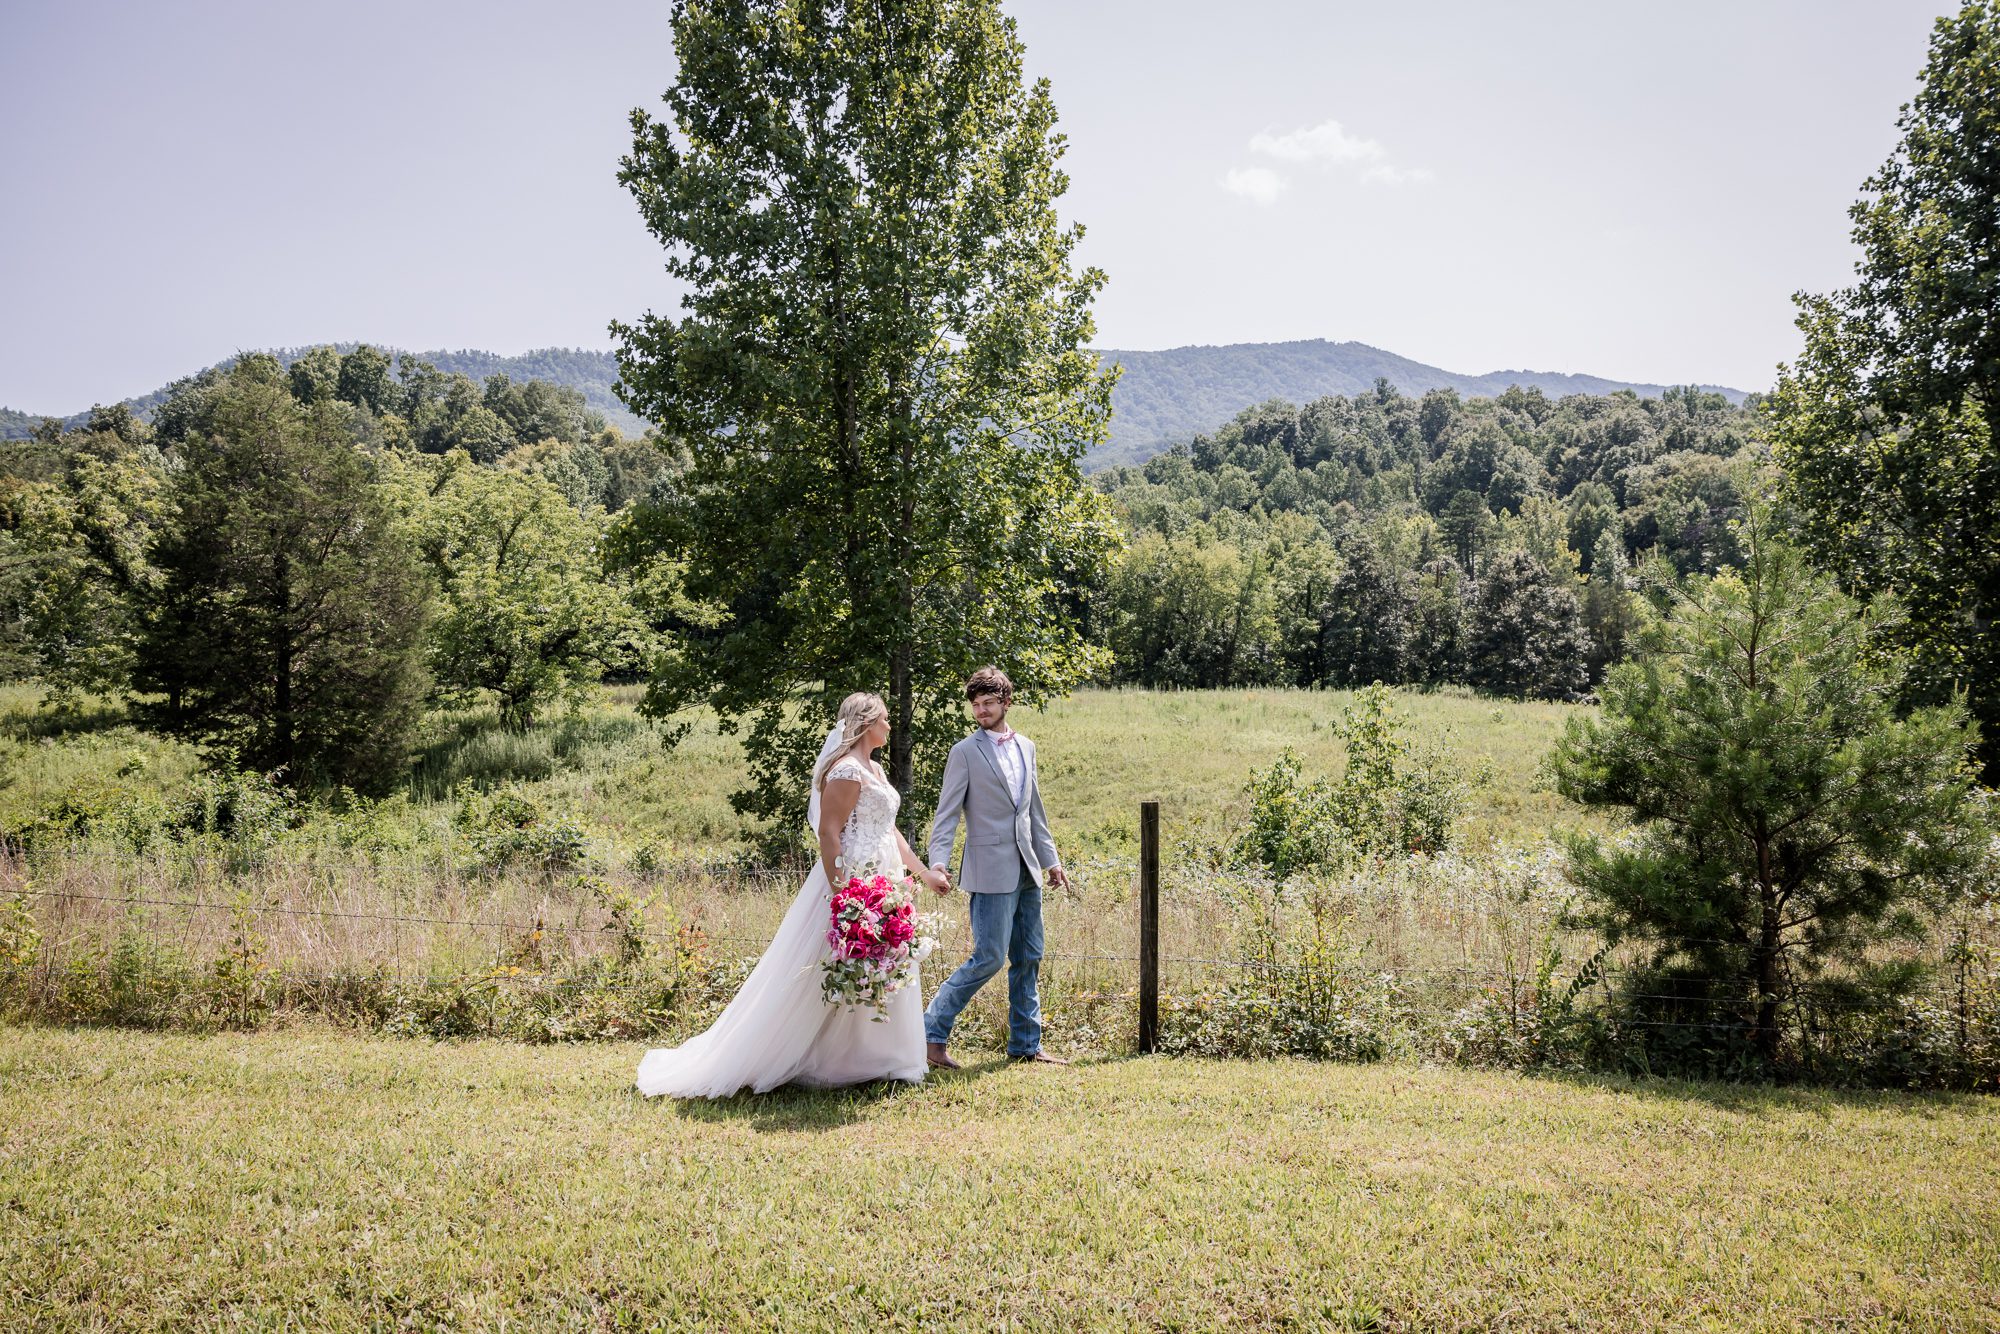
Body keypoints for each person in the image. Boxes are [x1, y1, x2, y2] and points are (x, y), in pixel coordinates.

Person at [635, 691, 948, 1098]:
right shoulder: (846, 772)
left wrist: (922, 874)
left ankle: (880, 1058)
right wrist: (846, 898)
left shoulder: (875, 770)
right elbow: (829, 834)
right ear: (867, 723)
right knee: (831, 964)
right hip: (853, 878)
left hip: (885, 876)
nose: (890, 725)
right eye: (885, 719)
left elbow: (889, 830)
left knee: (882, 960)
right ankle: (817, 1058)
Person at [922, 666, 1070, 1069]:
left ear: (1006, 702)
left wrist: (1051, 860)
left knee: (1029, 955)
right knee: (988, 956)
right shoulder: (965, 752)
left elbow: (1033, 810)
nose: (981, 711)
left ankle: (1026, 1045)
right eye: (975, 705)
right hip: (987, 868)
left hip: (1027, 868)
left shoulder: (1028, 747)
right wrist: (938, 861)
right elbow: (947, 814)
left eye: (988, 703)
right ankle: (930, 1033)